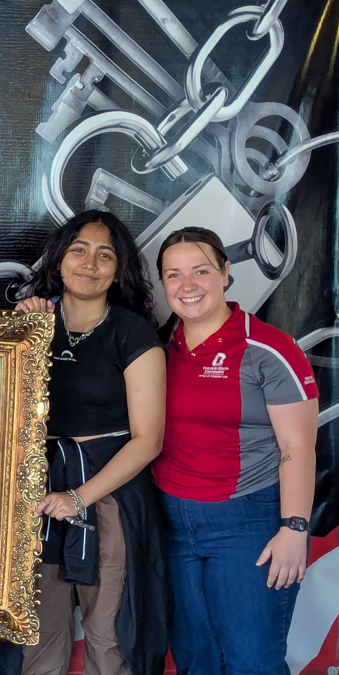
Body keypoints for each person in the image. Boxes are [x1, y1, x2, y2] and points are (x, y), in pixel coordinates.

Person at [153, 227, 318, 675]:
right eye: (174, 274)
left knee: (251, 662)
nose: (188, 286)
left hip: (247, 522)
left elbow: (298, 445)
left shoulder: (268, 348)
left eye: (201, 271)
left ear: (226, 273)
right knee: (193, 658)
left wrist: (294, 528)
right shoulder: (159, 347)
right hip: (173, 521)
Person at [13, 210, 168, 675]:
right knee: (38, 636)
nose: (90, 262)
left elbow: (149, 439)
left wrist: (79, 497)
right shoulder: (31, 324)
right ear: (59, 259)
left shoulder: (132, 331)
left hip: (109, 494)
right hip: (36, 496)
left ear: (118, 269)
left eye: (105, 254)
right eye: (79, 249)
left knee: (109, 636)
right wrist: (23, 335)